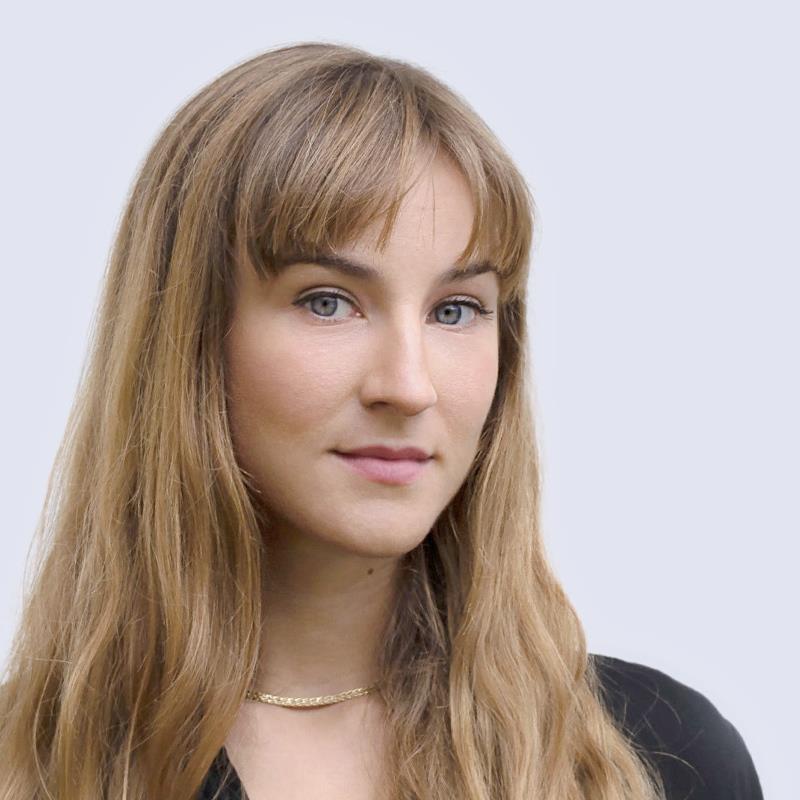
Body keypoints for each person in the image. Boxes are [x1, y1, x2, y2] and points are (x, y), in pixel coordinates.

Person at [0, 42, 762, 800]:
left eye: (455, 310)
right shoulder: (28, 768)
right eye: (328, 301)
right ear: (189, 337)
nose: (408, 386)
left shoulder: (663, 761)